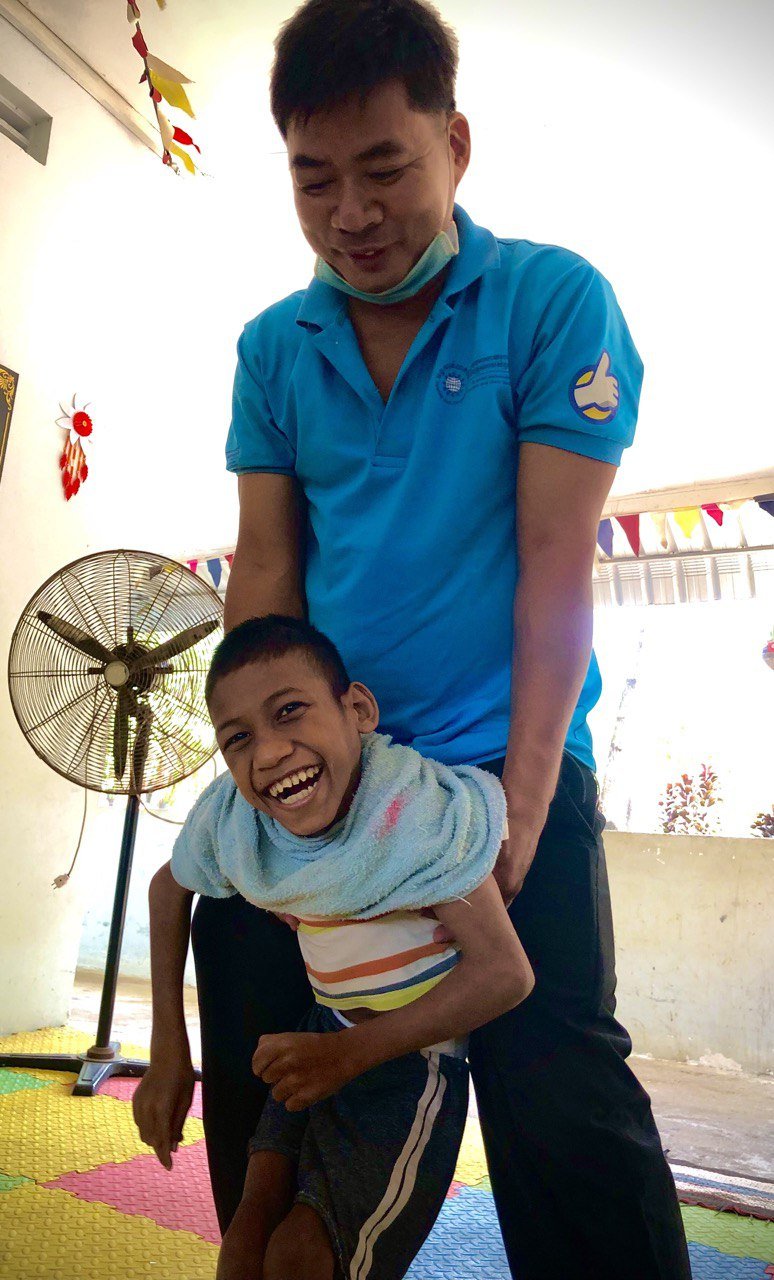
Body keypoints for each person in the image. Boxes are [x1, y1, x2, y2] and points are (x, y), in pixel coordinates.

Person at [137, 1, 693, 1276]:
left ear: (455, 144)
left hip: (505, 760)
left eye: (384, 168)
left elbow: (555, 564)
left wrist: (524, 807)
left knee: (559, 1086)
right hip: (326, 772)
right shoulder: (274, 348)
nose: (352, 213)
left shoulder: (551, 302)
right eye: (314, 180)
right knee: (267, 1066)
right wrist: (257, 776)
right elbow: (266, 566)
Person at [137, 614, 533, 1280]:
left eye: (289, 711)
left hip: (407, 1071)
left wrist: (349, 1055)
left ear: (358, 711)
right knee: (244, 1241)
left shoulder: (415, 814)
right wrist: (168, 1052)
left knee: (303, 1256)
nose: (268, 753)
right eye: (238, 738)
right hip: (321, 1043)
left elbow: (505, 974)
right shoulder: (240, 822)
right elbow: (166, 888)